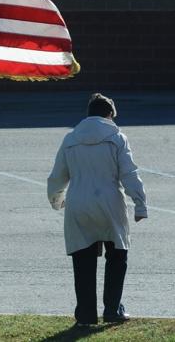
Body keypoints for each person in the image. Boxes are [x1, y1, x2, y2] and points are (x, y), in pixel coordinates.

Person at [48, 93, 147, 326]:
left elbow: (57, 176)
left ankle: (85, 314)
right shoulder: (117, 137)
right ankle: (112, 310)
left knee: (82, 259)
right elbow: (129, 173)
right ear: (110, 114)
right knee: (117, 255)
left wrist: (56, 200)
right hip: (110, 202)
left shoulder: (70, 139)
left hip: (78, 202)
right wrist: (140, 204)